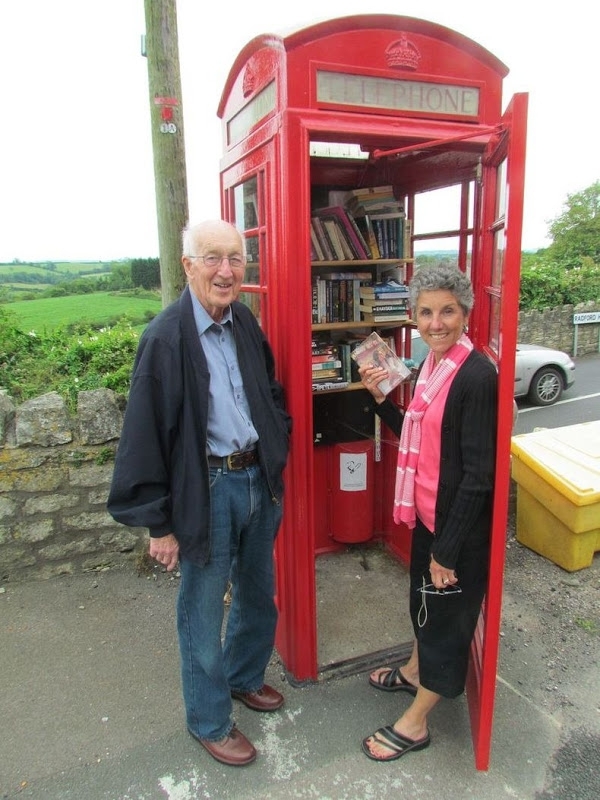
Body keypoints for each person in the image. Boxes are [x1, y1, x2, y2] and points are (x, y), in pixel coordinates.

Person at [107, 219, 292, 768]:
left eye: (235, 259)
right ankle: (209, 719)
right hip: (206, 488)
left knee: (260, 594)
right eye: (212, 258)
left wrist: (275, 444)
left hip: (257, 477)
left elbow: (270, 390)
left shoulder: (243, 322)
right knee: (203, 610)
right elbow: (143, 435)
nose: (226, 271)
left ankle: (244, 676)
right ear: (188, 266)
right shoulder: (164, 339)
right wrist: (157, 525)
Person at [358, 264, 498, 763]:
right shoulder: (433, 367)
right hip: (427, 516)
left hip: (456, 532)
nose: (435, 322)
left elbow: (480, 476)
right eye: (425, 312)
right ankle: (416, 670)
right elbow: (419, 433)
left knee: (446, 625)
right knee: (424, 607)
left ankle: (416, 723)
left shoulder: (477, 377)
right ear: (414, 317)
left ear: (465, 313)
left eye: (447, 311)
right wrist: (379, 400)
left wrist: (447, 551)